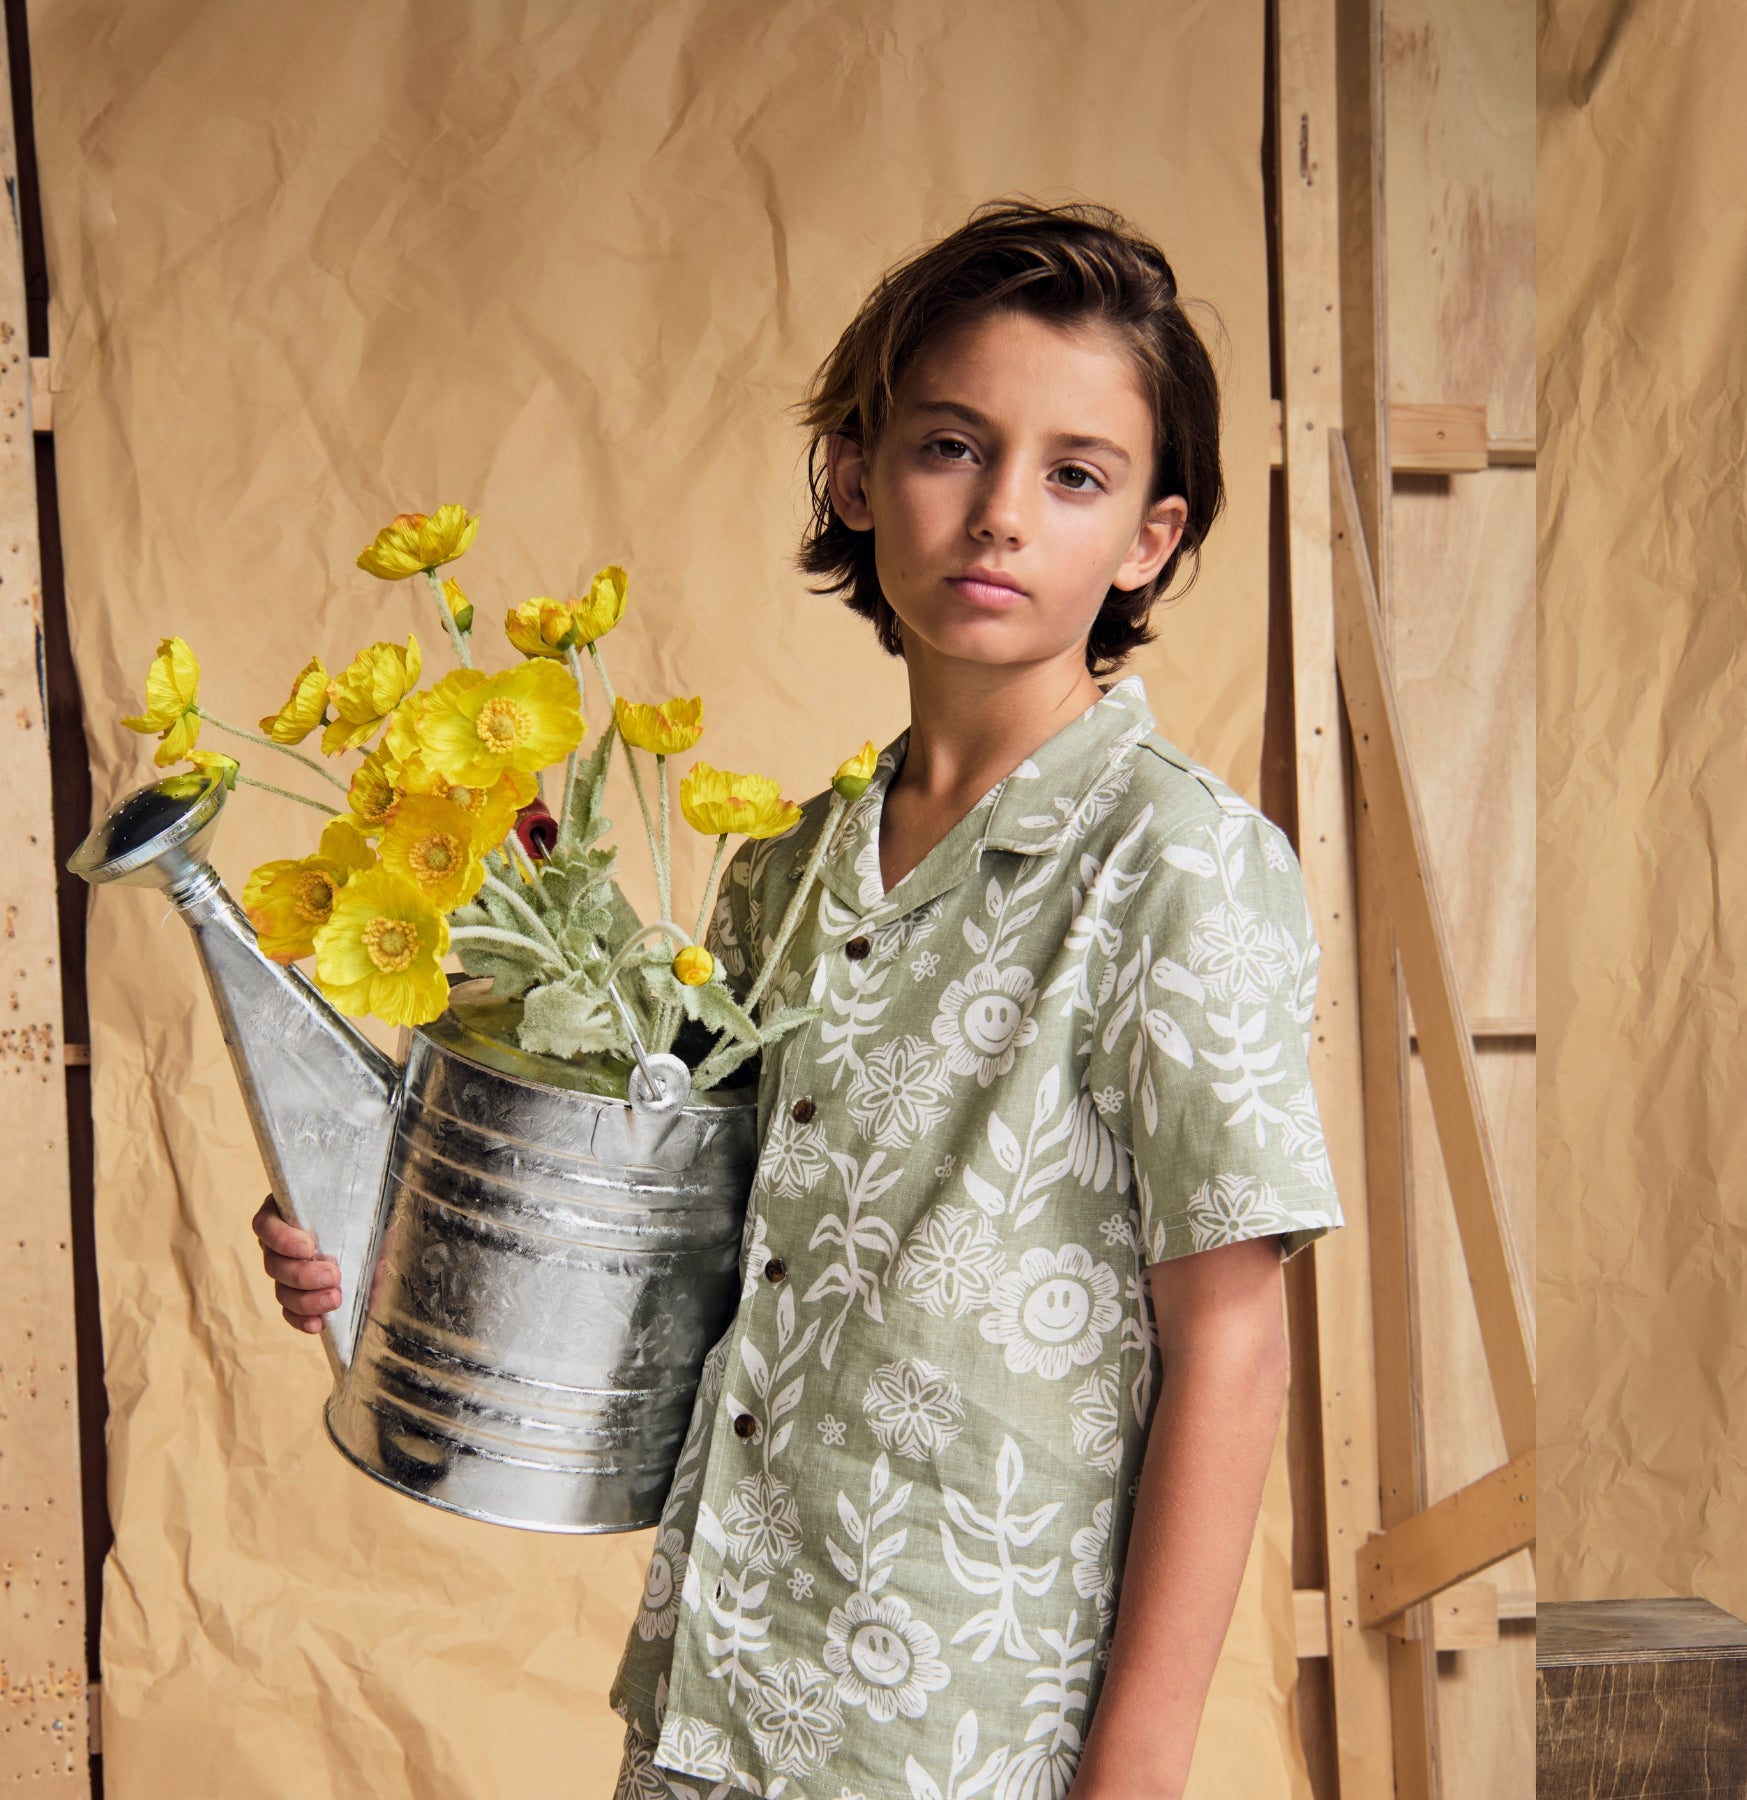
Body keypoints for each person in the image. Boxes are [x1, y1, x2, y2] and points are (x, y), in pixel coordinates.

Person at [253, 199, 1340, 1799]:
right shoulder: (778, 873)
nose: (1003, 518)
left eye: (1076, 475)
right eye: (952, 448)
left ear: (1149, 542)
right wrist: (401, 1254)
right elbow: (697, 1269)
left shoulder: (1184, 867)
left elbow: (1235, 1348)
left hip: (973, 1730)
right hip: (719, 1693)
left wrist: (1140, 1773)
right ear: (855, 473)